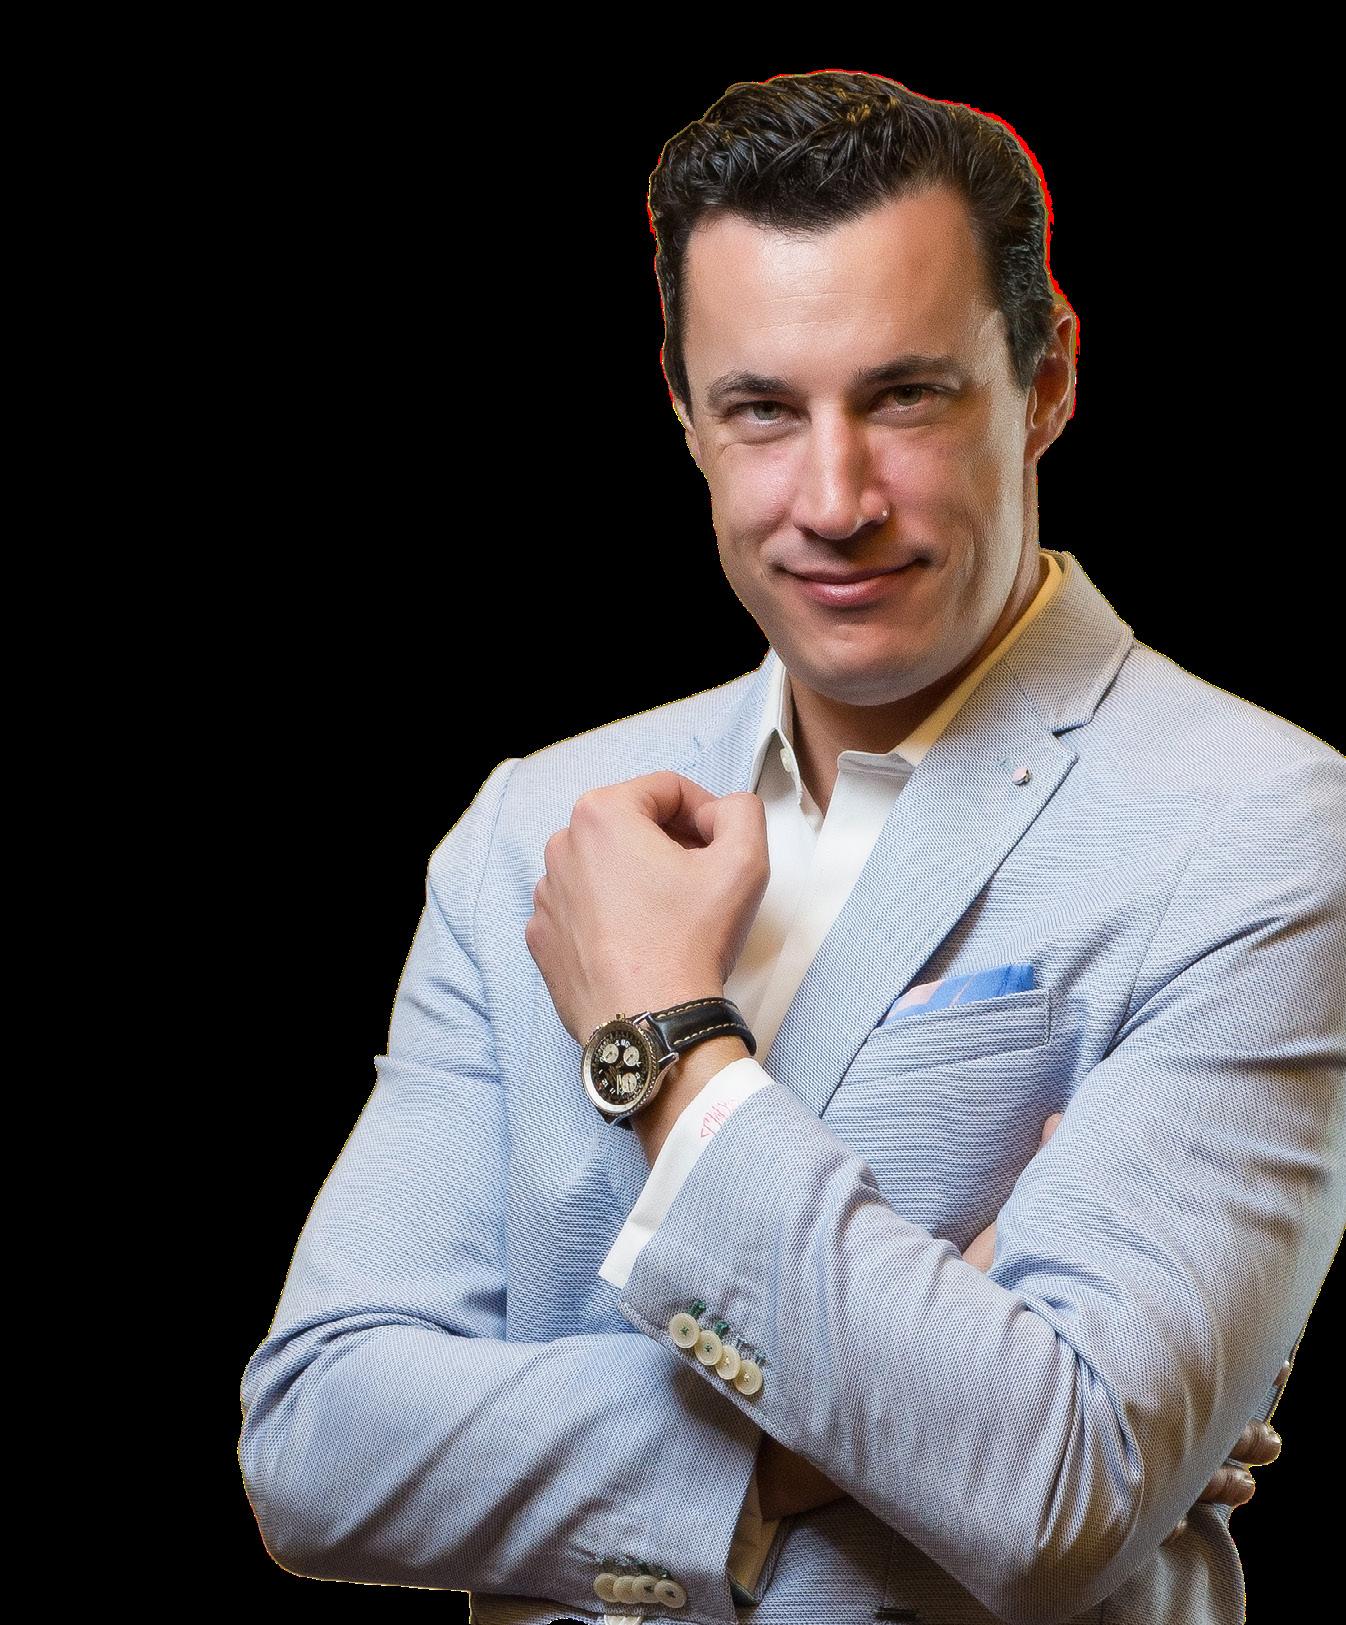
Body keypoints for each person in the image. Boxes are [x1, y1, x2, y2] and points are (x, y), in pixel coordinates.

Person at [237, 70, 1341, 1625]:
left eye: (905, 397)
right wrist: (863, 1426)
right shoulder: (530, 823)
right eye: (762, 408)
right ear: (684, 412)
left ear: (1044, 381)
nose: (832, 500)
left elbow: (1054, 1486)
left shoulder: (1264, 825)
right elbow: (315, 1441)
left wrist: (666, 1044)